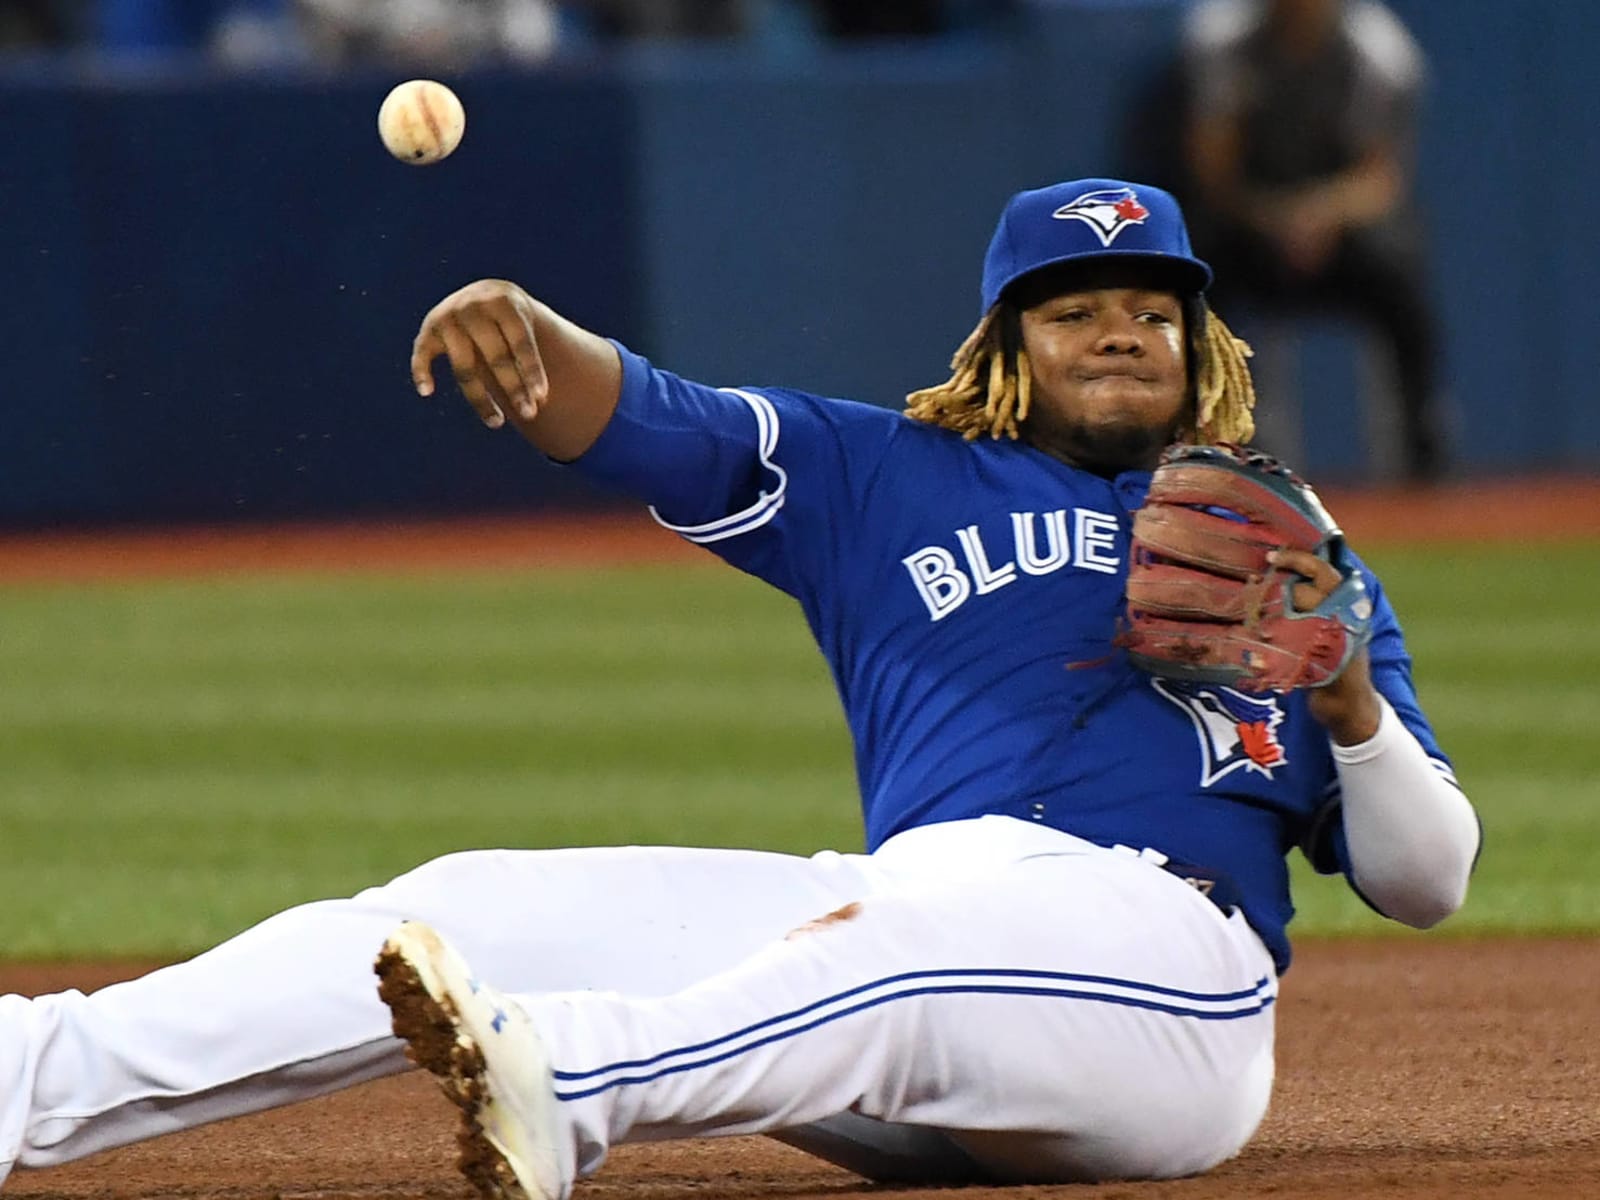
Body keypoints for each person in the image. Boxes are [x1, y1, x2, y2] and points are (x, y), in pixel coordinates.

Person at [0, 178, 1480, 1197]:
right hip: (909, 915)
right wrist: (527, 325)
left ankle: (572, 1085)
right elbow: (656, 421)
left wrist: (1348, 698)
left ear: (1197, 342)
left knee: (905, 957)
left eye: (1149, 309)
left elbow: (1426, 883)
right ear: (1004, 346)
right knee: (472, 906)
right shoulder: (885, 473)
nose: (1115, 329)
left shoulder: (1299, 565)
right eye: (1071, 306)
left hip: (1165, 995)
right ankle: (30, 1074)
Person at [1179, 0, 1447, 483]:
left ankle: (1421, 456)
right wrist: (1276, 219)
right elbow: (1213, 171)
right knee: (1199, 277)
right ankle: (1226, 450)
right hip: (1252, 223)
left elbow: (1380, 179)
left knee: (1401, 282)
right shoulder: (1222, 39)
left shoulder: (1379, 49)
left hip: (1343, 229)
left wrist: (1317, 216)